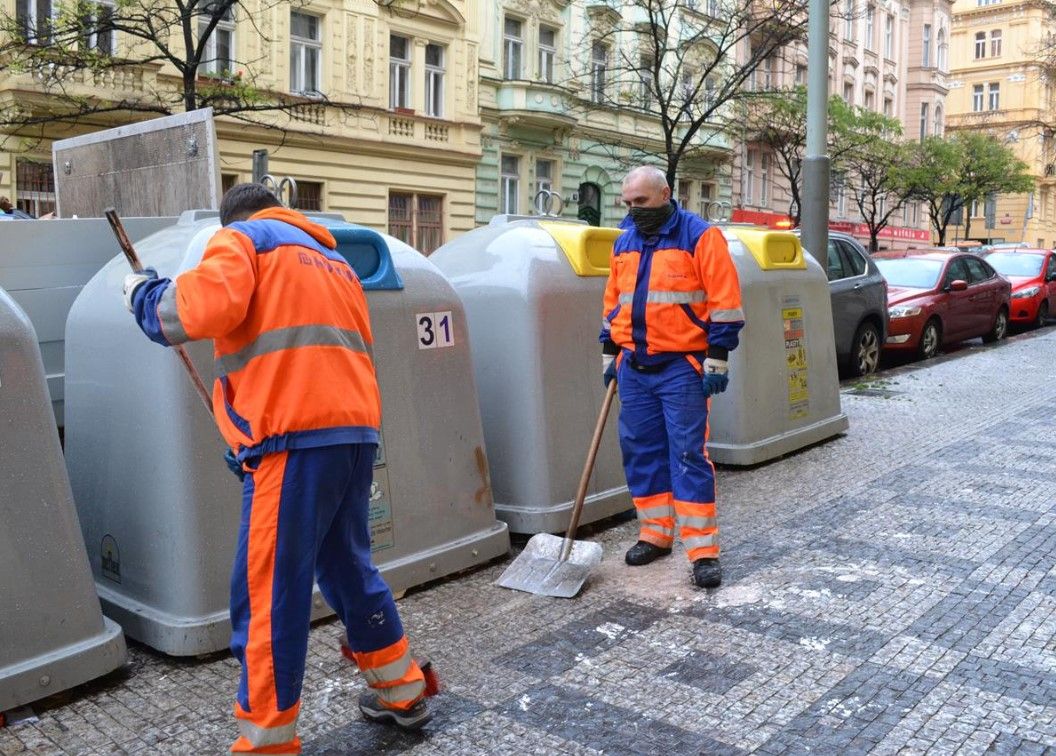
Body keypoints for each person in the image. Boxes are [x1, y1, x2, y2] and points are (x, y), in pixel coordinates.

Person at [123, 184, 433, 754]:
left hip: (294, 439)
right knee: (347, 569)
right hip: (353, 432)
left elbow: (190, 312)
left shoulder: (242, 239)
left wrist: (144, 292)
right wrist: (248, 434)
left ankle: (266, 743)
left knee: (267, 595)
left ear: (234, 218)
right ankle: (404, 690)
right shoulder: (332, 259)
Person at [600, 166, 744, 589]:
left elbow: (725, 301)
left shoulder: (700, 236)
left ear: (665, 194)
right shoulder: (624, 241)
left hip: (682, 365)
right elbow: (613, 301)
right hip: (634, 365)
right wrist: (610, 349)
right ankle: (655, 534)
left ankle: (702, 551)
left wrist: (718, 356)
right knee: (641, 450)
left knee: (686, 454)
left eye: (640, 202)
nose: (633, 211)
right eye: (627, 204)